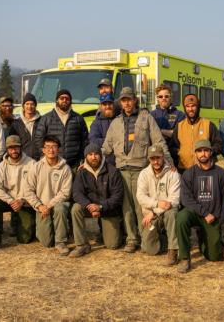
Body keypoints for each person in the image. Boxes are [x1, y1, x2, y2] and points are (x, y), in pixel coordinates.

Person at [102, 86, 172, 253]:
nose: (126, 103)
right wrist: (89, 162)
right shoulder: (115, 123)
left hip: (141, 170)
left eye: (129, 99)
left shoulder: (146, 118)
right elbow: (105, 148)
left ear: (135, 100)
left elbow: (159, 141)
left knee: (143, 207)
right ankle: (132, 239)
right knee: (126, 207)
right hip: (122, 171)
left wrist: (168, 161)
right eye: (123, 100)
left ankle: (146, 238)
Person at [175, 140, 224, 273]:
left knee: (214, 256)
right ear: (195, 154)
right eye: (199, 151)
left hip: (214, 217)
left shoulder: (221, 173)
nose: (203, 153)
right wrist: (204, 213)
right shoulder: (189, 173)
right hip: (196, 214)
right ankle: (184, 258)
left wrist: (220, 221)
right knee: (181, 217)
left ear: (211, 152)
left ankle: (203, 237)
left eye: (206, 150)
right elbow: (186, 199)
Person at [70, 143, 124, 257]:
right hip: (89, 207)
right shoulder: (82, 172)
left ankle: (107, 233)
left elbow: (117, 196)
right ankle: (82, 245)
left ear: (101, 155)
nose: (93, 157)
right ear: (86, 156)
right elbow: (77, 193)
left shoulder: (112, 171)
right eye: (90, 154)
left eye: (96, 154)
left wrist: (100, 207)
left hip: (108, 209)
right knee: (76, 208)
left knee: (112, 245)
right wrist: (89, 205)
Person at [0, 135, 36, 252]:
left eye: (16, 147)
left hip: (25, 202)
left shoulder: (32, 164)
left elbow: (36, 187)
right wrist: (11, 201)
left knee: (25, 239)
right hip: (9, 201)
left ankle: (19, 222)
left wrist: (22, 200)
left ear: (21, 148)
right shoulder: (2, 166)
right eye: (11, 148)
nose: (14, 150)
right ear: (7, 149)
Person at [24, 135, 72, 256]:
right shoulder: (36, 167)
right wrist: (40, 206)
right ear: (43, 150)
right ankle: (55, 234)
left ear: (59, 149)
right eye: (48, 147)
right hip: (41, 207)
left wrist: (49, 205)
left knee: (60, 208)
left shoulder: (65, 168)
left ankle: (61, 242)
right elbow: (28, 190)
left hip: (56, 205)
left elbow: (65, 192)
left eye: (54, 147)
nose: (51, 150)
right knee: (46, 242)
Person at [136, 145, 181, 265]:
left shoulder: (173, 173)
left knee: (173, 213)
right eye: (152, 159)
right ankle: (164, 239)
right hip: (150, 214)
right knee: (149, 249)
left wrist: (154, 211)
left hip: (165, 212)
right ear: (149, 159)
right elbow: (140, 197)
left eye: (158, 158)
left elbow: (174, 200)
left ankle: (173, 250)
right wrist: (156, 205)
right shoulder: (144, 174)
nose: (155, 161)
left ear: (163, 157)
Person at [33, 89, 88, 171]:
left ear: (70, 101)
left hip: (74, 166)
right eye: (62, 98)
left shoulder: (78, 119)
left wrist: (82, 158)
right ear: (57, 100)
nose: (64, 100)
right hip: (51, 164)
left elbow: (85, 140)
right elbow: (38, 139)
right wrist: (45, 156)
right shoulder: (46, 118)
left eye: (67, 99)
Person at [170, 94, 221, 173]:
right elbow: (172, 146)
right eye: (187, 106)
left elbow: (218, 144)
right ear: (184, 108)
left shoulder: (208, 125)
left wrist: (208, 153)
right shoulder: (179, 126)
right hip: (184, 170)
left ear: (198, 107)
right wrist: (180, 153)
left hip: (205, 169)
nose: (190, 109)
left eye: (193, 106)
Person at [150, 84, 185, 149]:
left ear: (171, 97)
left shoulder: (180, 115)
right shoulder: (151, 115)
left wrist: (159, 131)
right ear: (157, 98)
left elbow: (180, 134)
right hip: (156, 154)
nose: (164, 98)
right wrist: (169, 132)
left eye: (166, 96)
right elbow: (149, 134)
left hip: (174, 153)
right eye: (160, 96)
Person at [10, 92, 42, 160]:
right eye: (27, 104)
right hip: (23, 160)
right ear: (23, 106)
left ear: (35, 106)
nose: (29, 107)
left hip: (40, 160)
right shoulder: (16, 124)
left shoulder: (42, 121)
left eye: (32, 104)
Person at [88, 93, 116, 165]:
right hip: (104, 162)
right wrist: (114, 140)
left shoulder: (120, 119)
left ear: (114, 105)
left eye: (110, 103)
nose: (107, 106)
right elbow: (93, 141)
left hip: (121, 163)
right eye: (104, 104)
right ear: (101, 106)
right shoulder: (96, 123)